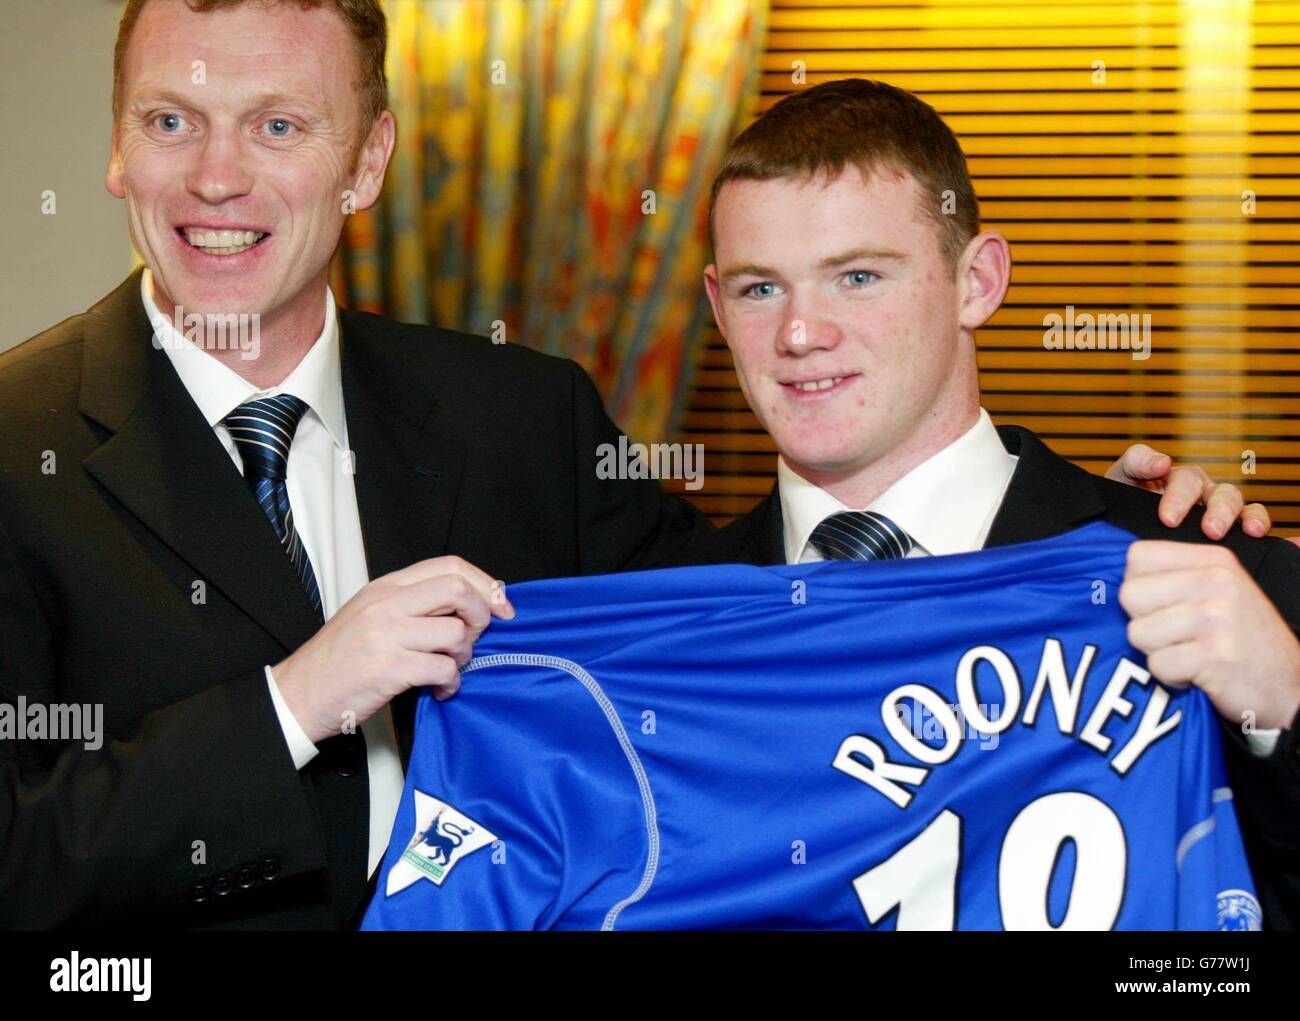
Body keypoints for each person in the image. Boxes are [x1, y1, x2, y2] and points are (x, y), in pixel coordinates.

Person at [0, 0, 1271, 930]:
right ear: (115, 144)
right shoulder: (16, 443)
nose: (218, 175)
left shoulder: (524, 416)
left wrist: (1197, 583)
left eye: (277, 123)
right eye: (172, 120)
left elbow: (748, 624)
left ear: (366, 161)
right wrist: (291, 703)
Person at [686, 77, 1300, 928]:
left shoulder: (1225, 579)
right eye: (761, 289)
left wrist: (1289, 709)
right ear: (717, 306)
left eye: (857, 276)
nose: (799, 333)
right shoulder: (666, 616)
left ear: (977, 281)